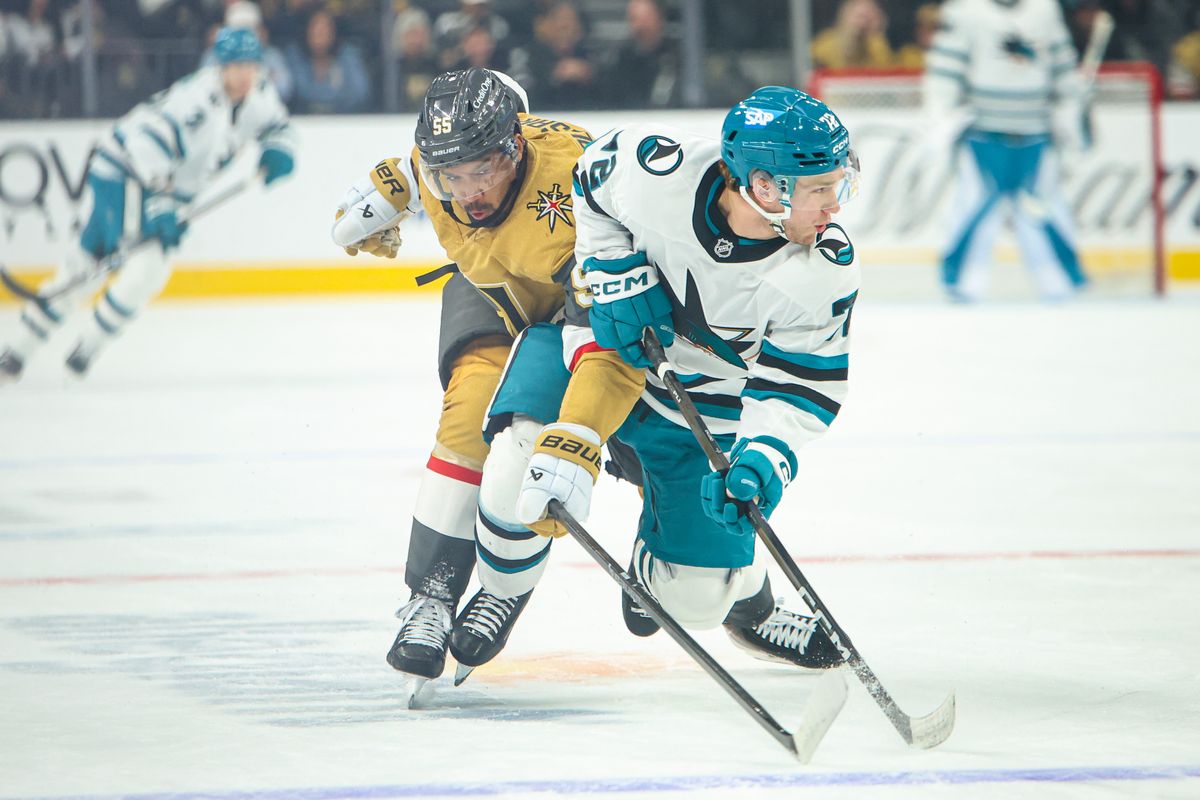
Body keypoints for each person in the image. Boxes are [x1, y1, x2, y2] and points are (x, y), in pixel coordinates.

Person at [512, 87, 859, 668]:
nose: (835, 208)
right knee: (513, 462)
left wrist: (763, 455)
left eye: (839, 186)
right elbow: (591, 178)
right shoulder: (660, 173)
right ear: (764, 185)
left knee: (690, 603)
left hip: (697, 422)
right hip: (607, 363)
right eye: (819, 190)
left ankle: (712, 578)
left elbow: (802, 384)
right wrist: (609, 262)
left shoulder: (822, 269)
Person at [329, 68, 640, 695]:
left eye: (482, 171)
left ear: (515, 146)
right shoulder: (433, 165)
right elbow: (406, 176)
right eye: (451, 175)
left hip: (577, 313)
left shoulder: (581, 174)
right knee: (467, 418)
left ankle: (508, 587)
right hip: (492, 295)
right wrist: (363, 211)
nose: (467, 192)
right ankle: (432, 592)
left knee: (554, 444)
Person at [0, 27, 295, 382]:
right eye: (236, 65)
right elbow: (145, 146)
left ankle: (22, 349)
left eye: (251, 65)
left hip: (148, 183)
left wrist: (280, 149)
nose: (245, 74)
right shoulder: (196, 103)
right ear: (220, 66)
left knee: (94, 262)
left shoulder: (260, 94)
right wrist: (160, 205)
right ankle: (75, 350)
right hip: (125, 174)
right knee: (141, 266)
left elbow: (279, 126)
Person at [923, 0, 1089, 301]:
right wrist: (942, 118)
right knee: (977, 202)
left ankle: (1059, 279)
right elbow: (944, 72)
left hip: (1037, 129)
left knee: (1039, 204)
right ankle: (961, 280)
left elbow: (1062, 64)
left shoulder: (1045, 8)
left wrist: (1070, 106)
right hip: (982, 130)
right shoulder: (964, 10)